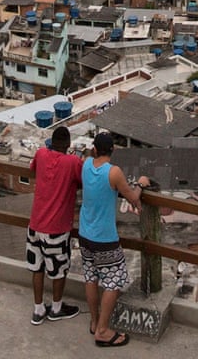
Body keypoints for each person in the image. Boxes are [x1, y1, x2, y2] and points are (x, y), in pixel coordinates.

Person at [79, 131, 149, 347]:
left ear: (95, 149)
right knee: (114, 281)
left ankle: (94, 322)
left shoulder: (86, 163)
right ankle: (102, 331)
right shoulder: (114, 172)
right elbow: (132, 197)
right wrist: (141, 184)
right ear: (113, 151)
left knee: (91, 278)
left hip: (84, 233)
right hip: (104, 237)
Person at [25, 125, 83, 324]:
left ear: (52, 142)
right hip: (56, 228)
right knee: (59, 270)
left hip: (35, 224)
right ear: (68, 145)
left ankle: (38, 309)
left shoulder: (41, 153)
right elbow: (83, 179)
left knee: (37, 267)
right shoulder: (73, 162)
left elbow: (32, 168)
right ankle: (56, 308)